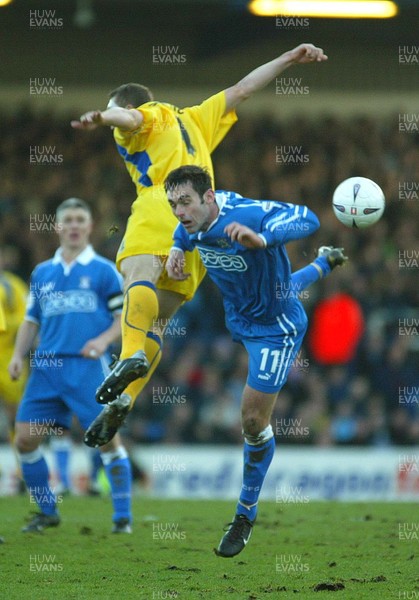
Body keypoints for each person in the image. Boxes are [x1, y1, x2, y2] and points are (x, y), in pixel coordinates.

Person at [70, 43, 328, 448]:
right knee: (159, 320)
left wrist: (103, 117)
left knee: (136, 275)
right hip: (202, 229)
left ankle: (129, 355)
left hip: (165, 203)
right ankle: (126, 397)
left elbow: (131, 114)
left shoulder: (151, 116)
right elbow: (243, 88)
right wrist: (288, 58)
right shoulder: (196, 118)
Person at [164, 165, 347, 558]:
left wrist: (263, 237)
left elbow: (306, 216)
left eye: (186, 202)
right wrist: (179, 245)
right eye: (173, 204)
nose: (180, 211)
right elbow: (187, 229)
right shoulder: (193, 222)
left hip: (277, 329)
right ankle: (324, 263)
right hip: (239, 313)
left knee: (251, 420)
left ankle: (245, 514)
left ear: (209, 198)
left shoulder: (244, 215)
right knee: (277, 289)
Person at [8, 198, 133, 533]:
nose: (74, 225)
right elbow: (31, 321)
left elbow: (123, 320)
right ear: (58, 227)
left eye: (81, 219)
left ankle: (123, 517)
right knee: (25, 441)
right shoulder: (42, 273)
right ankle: (47, 511)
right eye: (69, 220)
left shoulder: (104, 270)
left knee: (108, 441)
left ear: (90, 226)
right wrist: (18, 356)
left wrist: (103, 342)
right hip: (46, 369)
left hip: (87, 368)